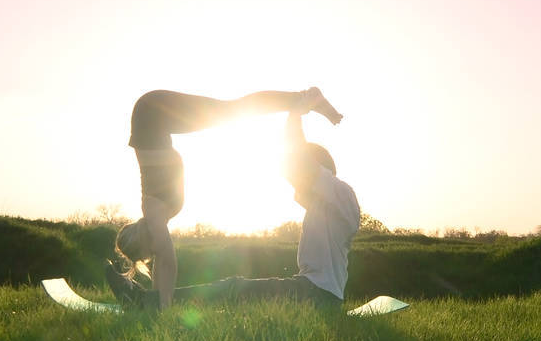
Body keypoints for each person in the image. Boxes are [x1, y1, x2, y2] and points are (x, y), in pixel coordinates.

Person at [105, 105, 359, 310]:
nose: (297, 192)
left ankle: (145, 302)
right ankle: (155, 301)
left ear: (319, 169)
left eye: (301, 184)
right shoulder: (327, 203)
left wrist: (295, 110)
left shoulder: (340, 192)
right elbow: (294, 164)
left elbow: (297, 158)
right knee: (235, 291)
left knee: (233, 288)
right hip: (314, 294)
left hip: (316, 295)